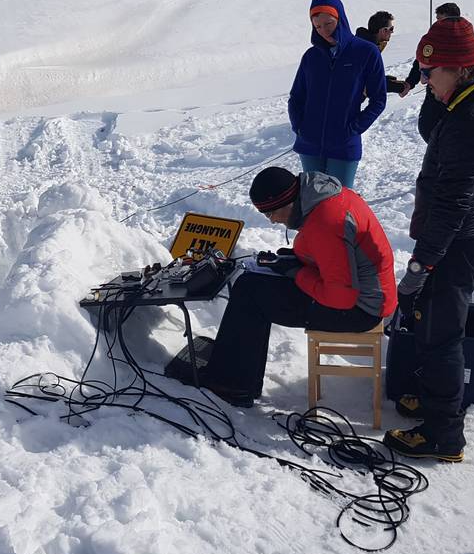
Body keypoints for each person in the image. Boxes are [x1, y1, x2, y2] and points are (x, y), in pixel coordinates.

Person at [381, 16, 474, 462]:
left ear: (459, 68)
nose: (424, 81)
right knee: (434, 324)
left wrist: (421, 265)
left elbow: (452, 203)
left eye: (430, 72)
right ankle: (433, 400)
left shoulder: (469, 117)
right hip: (469, 235)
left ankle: (444, 435)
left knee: (439, 333)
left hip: (454, 241)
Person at [164, 167, 396, 407]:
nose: (272, 220)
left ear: (289, 201)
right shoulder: (322, 196)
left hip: (360, 310)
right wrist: (295, 260)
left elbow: (340, 297)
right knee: (250, 284)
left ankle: (232, 385)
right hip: (367, 295)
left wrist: (296, 272)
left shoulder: (325, 222)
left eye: (271, 212)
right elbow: (338, 257)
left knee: (251, 295)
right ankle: (238, 375)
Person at [288, 0, 387, 189]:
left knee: (339, 202)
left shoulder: (366, 52)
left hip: (344, 145)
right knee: (312, 202)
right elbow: (296, 97)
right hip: (309, 145)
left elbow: (378, 100)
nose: (323, 31)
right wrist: (299, 127)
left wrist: (353, 129)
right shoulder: (311, 57)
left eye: (328, 23)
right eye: (317, 26)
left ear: (340, 19)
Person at [416, 2, 463, 140]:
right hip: (434, 93)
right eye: (437, 20)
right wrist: (409, 82)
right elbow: (420, 62)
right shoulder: (433, 38)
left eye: (440, 20)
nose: (437, 23)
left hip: (450, 94)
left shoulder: (462, 41)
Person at [355, 11, 421, 97]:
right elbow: (366, 84)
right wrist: (398, 87)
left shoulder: (365, 44)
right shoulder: (368, 49)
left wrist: (385, 80)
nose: (392, 32)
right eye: (391, 29)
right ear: (383, 30)